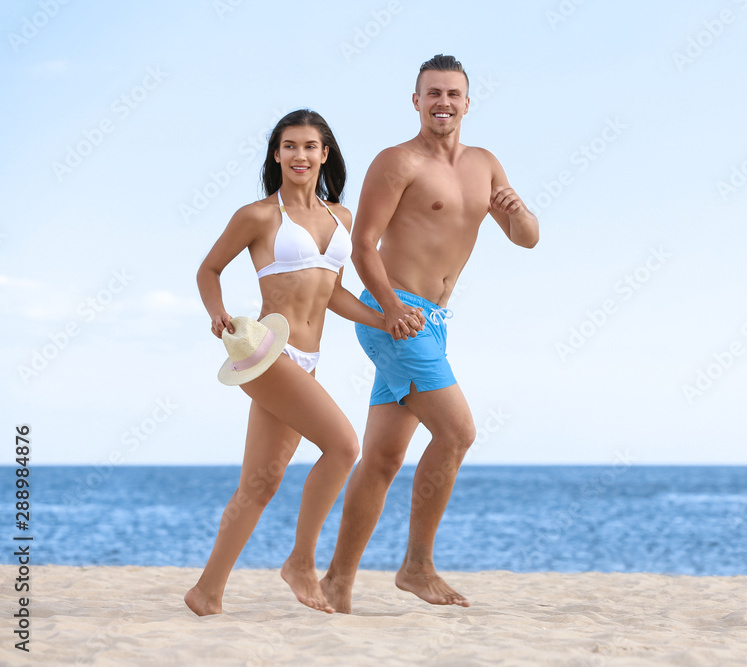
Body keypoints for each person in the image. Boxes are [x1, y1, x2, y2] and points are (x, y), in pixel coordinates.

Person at [320, 55, 540, 612]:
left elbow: (526, 239)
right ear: (415, 101)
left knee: (384, 458)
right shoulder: (397, 162)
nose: (443, 101)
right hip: (397, 314)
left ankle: (336, 582)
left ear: (468, 102)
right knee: (459, 432)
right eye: (432, 92)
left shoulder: (485, 164)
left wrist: (519, 211)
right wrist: (391, 308)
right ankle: (416, 566)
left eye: (453, 93)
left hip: (434, 323)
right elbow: (364, 245)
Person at [184, 109, 420, 616]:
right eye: (290, 146)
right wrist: (217, 311)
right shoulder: (259, 216)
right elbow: (208, 269)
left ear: (325, 154)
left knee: (261, 483)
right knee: (343, 445)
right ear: (276, 154)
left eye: (310, 146)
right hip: (268, 353)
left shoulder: (341, 217)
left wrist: (388, 319)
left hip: (307, 359)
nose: (300, 155)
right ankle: (301, 561)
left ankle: (207, 592)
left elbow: (333, 293)